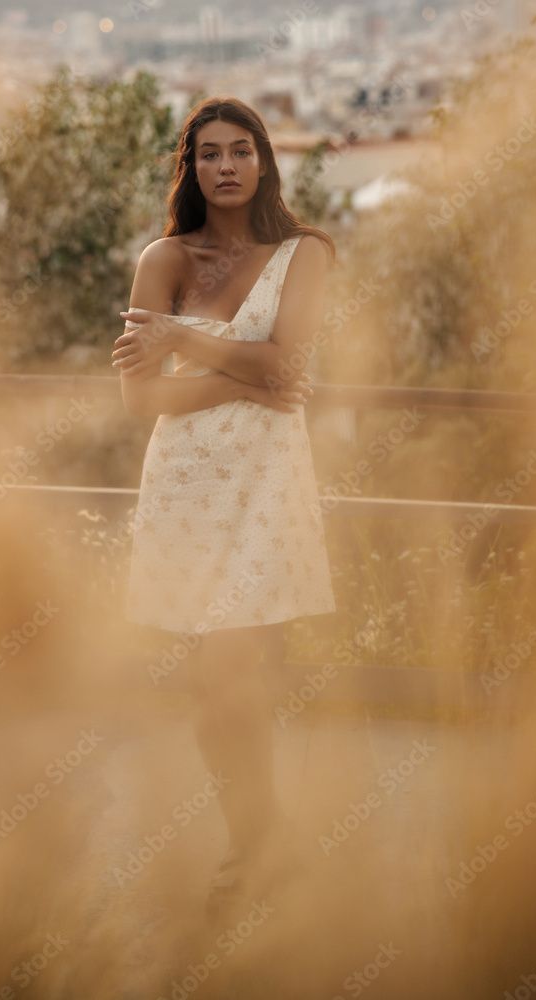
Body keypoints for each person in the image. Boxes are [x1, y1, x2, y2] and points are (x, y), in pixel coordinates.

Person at [110, 96, 336, 915]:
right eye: (209, 153)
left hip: (267, 483)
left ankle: (254, 847)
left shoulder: (304, 253)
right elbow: (142, 404)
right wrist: (249, 367)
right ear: (191, 166)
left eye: (242, 150)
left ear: (265, 161)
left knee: (228, 667)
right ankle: (263, 838)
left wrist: (180, 342)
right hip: (184, 484)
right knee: (214, 687)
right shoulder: (161, 259)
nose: (227, 166)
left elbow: (288, 366)